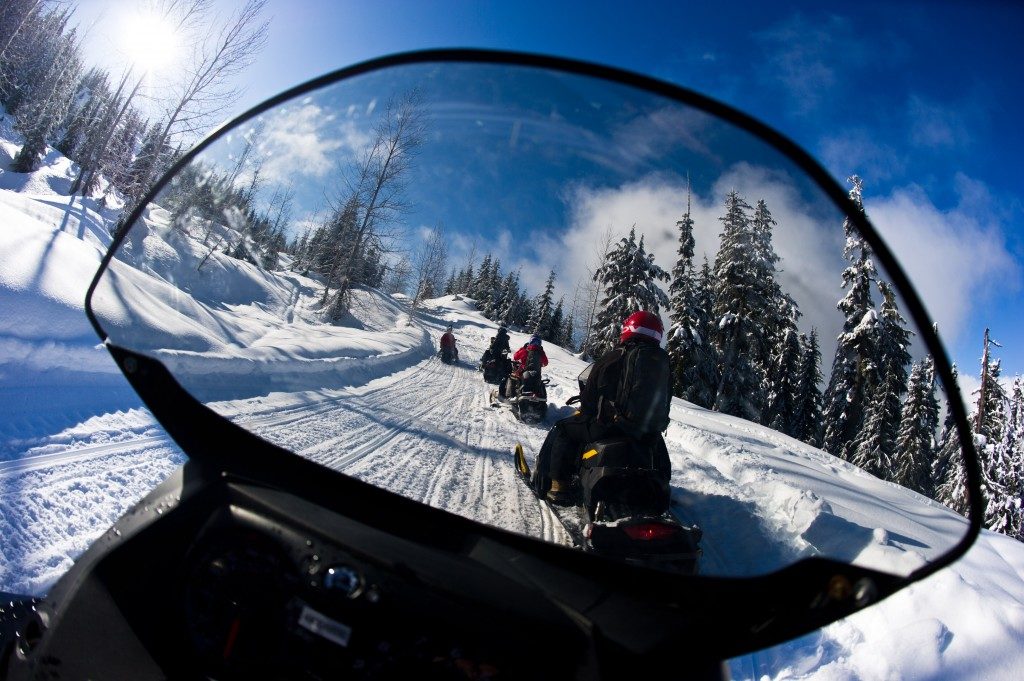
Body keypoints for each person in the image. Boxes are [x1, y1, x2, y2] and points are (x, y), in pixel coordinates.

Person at [530, 311, 671, 504]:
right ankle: (663, 485)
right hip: (646, 432)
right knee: (657, 443)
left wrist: (594, 410)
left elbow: (589, 400)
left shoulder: (613, 357)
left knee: (563, 429)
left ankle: (558, 485)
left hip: (610, 427)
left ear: (628, 329)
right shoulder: (662, 363)